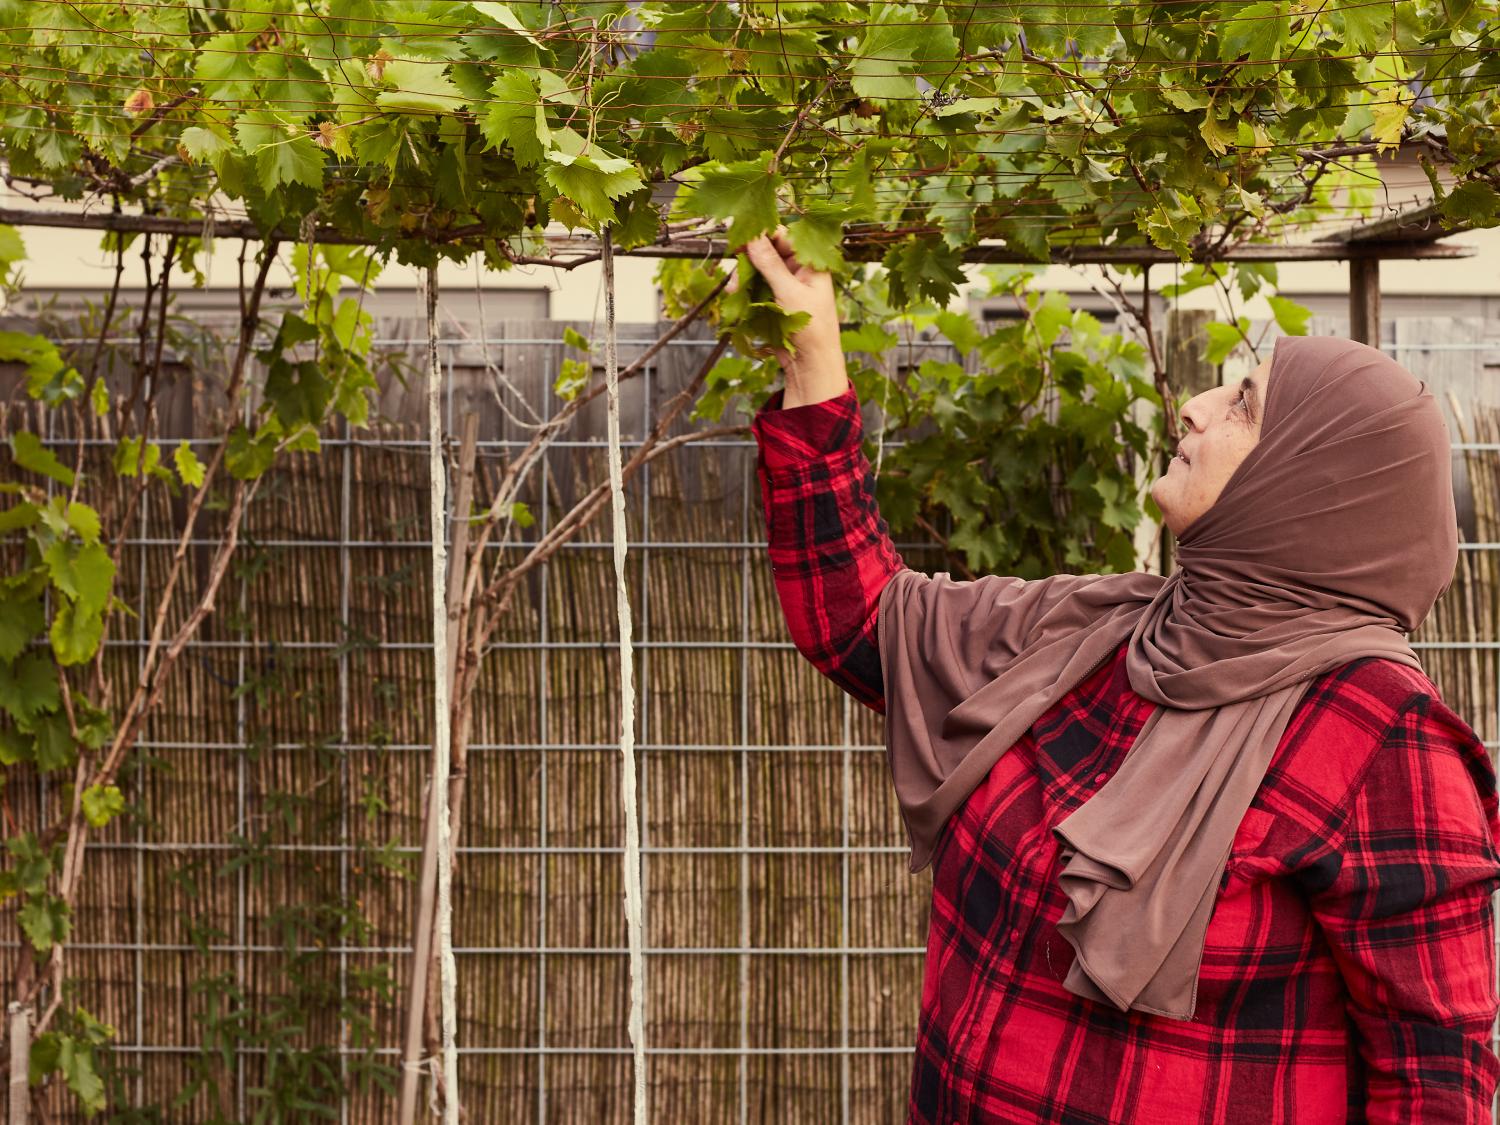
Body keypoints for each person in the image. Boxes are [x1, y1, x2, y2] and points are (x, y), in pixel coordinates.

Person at [739, 225, 1500, 1123]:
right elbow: (861, 618)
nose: (1196, 405)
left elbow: (1434, 1083)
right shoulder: (1100, 631)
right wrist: (813, 344)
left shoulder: (1378, 736)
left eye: (1245, 406)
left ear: (1312, 483)